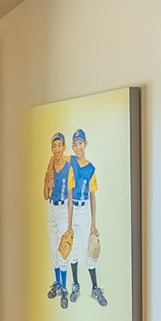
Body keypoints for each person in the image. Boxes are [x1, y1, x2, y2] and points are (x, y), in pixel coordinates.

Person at [68, 128, 107, 307]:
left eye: (80, 143)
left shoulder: (90, 168)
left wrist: (93, 222)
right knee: (73, 248)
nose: (78, 147)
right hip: (71, 208)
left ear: (85, 144)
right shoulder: (70, 162)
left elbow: (92, 196)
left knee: (89, 250)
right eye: (75, 144)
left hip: (83, 210)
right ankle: (75, 284)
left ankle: (95, 287)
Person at [43, 132, 75, 307]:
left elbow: (70, 198)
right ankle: (57, 284)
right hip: (52, 208)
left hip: (63, 209)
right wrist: (47, 183)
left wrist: (70, 224)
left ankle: (64, 288)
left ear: (64, 147)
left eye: (59, 145)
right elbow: (45, 195)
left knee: (64, 250)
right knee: (54, 248)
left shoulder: (69, 167)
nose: (56, 149)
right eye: (54, 146)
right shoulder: (50, 168)